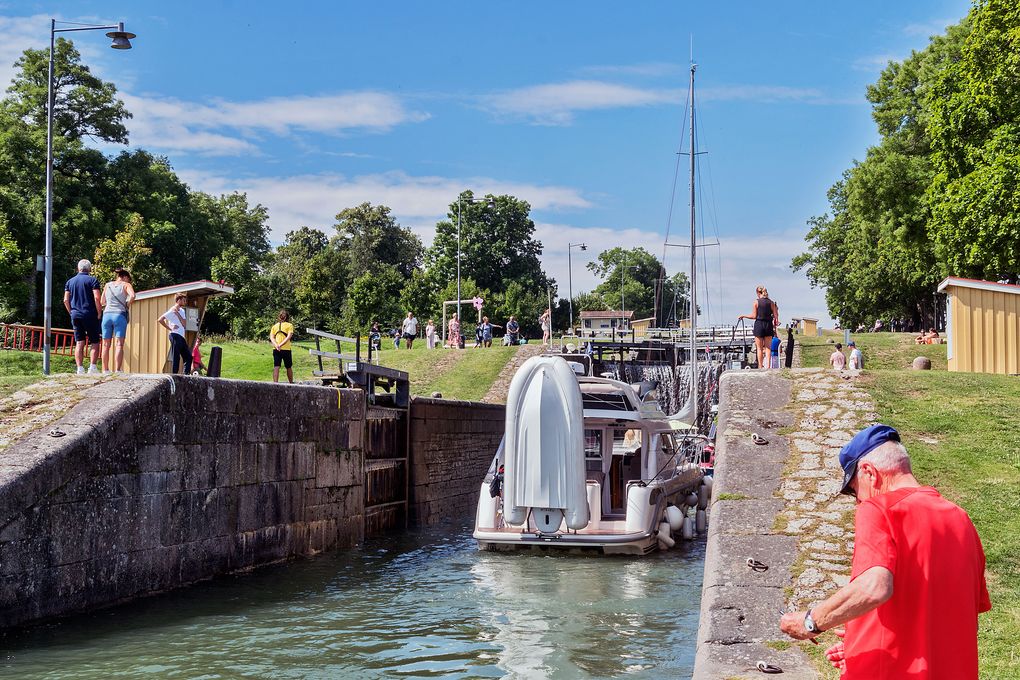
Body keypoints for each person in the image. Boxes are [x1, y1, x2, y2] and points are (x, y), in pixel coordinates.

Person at [780, 424, 990, 678]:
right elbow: (951, 614)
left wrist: (811, 622)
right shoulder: (961, 520)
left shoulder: (879, 509)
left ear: (869, 472)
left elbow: (874, 588)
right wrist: (861, 639)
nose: (858, 501)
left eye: (854, 491)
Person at [63, 259, 102, 375]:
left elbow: (65, 300)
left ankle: (80, 368)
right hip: (90, 313)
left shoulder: (70, 282)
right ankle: (92, 367)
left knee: (79, 342)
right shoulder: (93, 280)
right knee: (95, 341)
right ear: (89, 269)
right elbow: (97, 298)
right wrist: (99, 312)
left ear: (78, 268)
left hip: (76, 314)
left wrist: (71, 312)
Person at [99, 267, 136, 374]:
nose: (129, 281)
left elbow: (102, 301)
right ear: (125, 277)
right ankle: (118, 370)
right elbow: (133, 296)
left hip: (107, 315)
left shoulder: (107, 285)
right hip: (119, 315)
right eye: (129, 279)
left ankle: (105, 370)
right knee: (119, 344)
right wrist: (127, 304)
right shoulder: (126, 285)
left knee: (106, 344)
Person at [737, 285, 779, 370]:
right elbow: (776, 316)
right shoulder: (771, 302)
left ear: (757, 293)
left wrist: (744, 316)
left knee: (759, 348)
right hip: (768, 325)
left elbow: (754, 316)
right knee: (768, 348)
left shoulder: (756, 302)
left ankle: (760, 366)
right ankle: (768, 367)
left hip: (759, 325)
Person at [157, 293, 192, 375]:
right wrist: (170, 328)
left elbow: (184, 324)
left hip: (181, 336)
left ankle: (186, 375)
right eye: (183, 300)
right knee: (176, 356)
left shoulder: (182, 311)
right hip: (175, 335)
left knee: (188, 357)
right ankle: (174, 375)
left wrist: (178, 314)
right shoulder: (172, 310)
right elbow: (160, 319)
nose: (185, 302)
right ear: (178, 300)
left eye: (185, 300)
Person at [270, 310, 294, 383]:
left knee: (276, 366)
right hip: (286, 349)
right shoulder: (289, 325)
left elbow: (271, 337)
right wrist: (280, 345)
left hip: (276, 349)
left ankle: (275, 384)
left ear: (279, 317)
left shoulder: (274, 326)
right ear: (286, 317)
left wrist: (276, 345)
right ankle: (291, 383)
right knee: (288, 367)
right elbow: (288, 337)